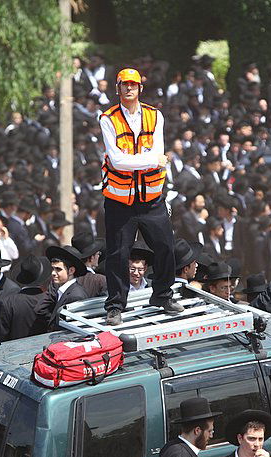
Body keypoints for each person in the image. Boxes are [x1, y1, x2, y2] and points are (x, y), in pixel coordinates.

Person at [100, 67, 179, 326]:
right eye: (125, 84)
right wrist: (149, 159)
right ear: (118, 88)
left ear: (140, 88)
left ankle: (163, 295)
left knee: (166, 246)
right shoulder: (108, 118)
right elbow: (118, 161)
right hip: (120, 200)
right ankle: (115, 305)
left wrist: (145, 160)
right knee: (117, 254)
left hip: (151, 198)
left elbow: (159, 153)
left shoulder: (155, 116)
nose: (129, 88)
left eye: (134, 84)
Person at [0, 255, 51, 341]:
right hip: (42, 352)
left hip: (14, 352)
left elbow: (1, 337)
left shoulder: (8, 302)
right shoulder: (49, 300)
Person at [37, 245, 90, 330]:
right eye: (53, 269)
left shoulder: (76, 296)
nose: (53, 273)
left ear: (71, 271)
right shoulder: (62, 290)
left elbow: (73, 329)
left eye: (58, 269)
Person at [72, 232, 107, 297]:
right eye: (98, 254)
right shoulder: (100, 280)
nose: (98, 256)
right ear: (91, 258)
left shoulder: (68, 277)